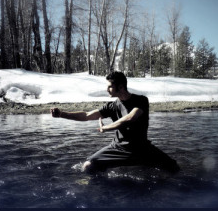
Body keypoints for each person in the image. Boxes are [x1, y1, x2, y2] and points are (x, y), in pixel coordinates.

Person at [50, 71, 180, 174]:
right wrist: (62, 114)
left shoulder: (141, 100)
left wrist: (105, 128)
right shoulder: (112, 106)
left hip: (141, 148)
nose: (107, 89)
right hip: (118, 148)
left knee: (174, 168)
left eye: (110, 86)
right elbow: (87, 115)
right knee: (88, 166)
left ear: (121, 87)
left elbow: (130, 118)